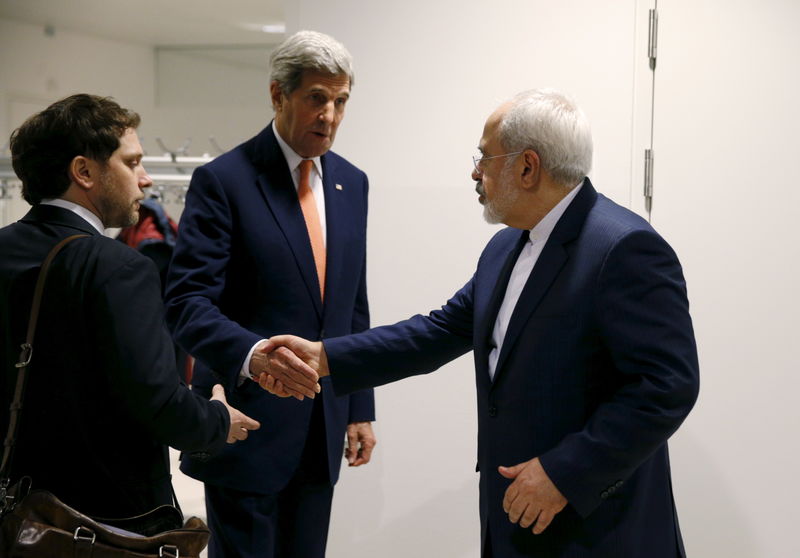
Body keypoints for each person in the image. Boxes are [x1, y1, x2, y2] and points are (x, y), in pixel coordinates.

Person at [263, 89, 700, 557]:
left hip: (598, 529)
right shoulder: (505, 248)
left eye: (485, 158)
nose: (475, 172)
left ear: (527, 167)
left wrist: (564, 472)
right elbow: (439, 331)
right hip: (512, 519)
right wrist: (325, 357)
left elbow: (666, 386)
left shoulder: (625, 248)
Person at [163, 30, 376, 558]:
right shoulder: (225, 180)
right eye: (316, 99)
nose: (329, 115)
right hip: (245, 425)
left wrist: (359, 407)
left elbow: (350, 304)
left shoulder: (353, 183)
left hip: (322, 429)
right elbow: (187, 303)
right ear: (278, 95)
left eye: (340, 101)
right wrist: (254, 355)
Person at [0, 94, 260, 520]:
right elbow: (157, 401)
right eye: (132, 162)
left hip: (16, 510)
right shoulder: (118, 266)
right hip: (100, 520)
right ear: (83, 171)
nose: (146, 180)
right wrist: (217, 421)